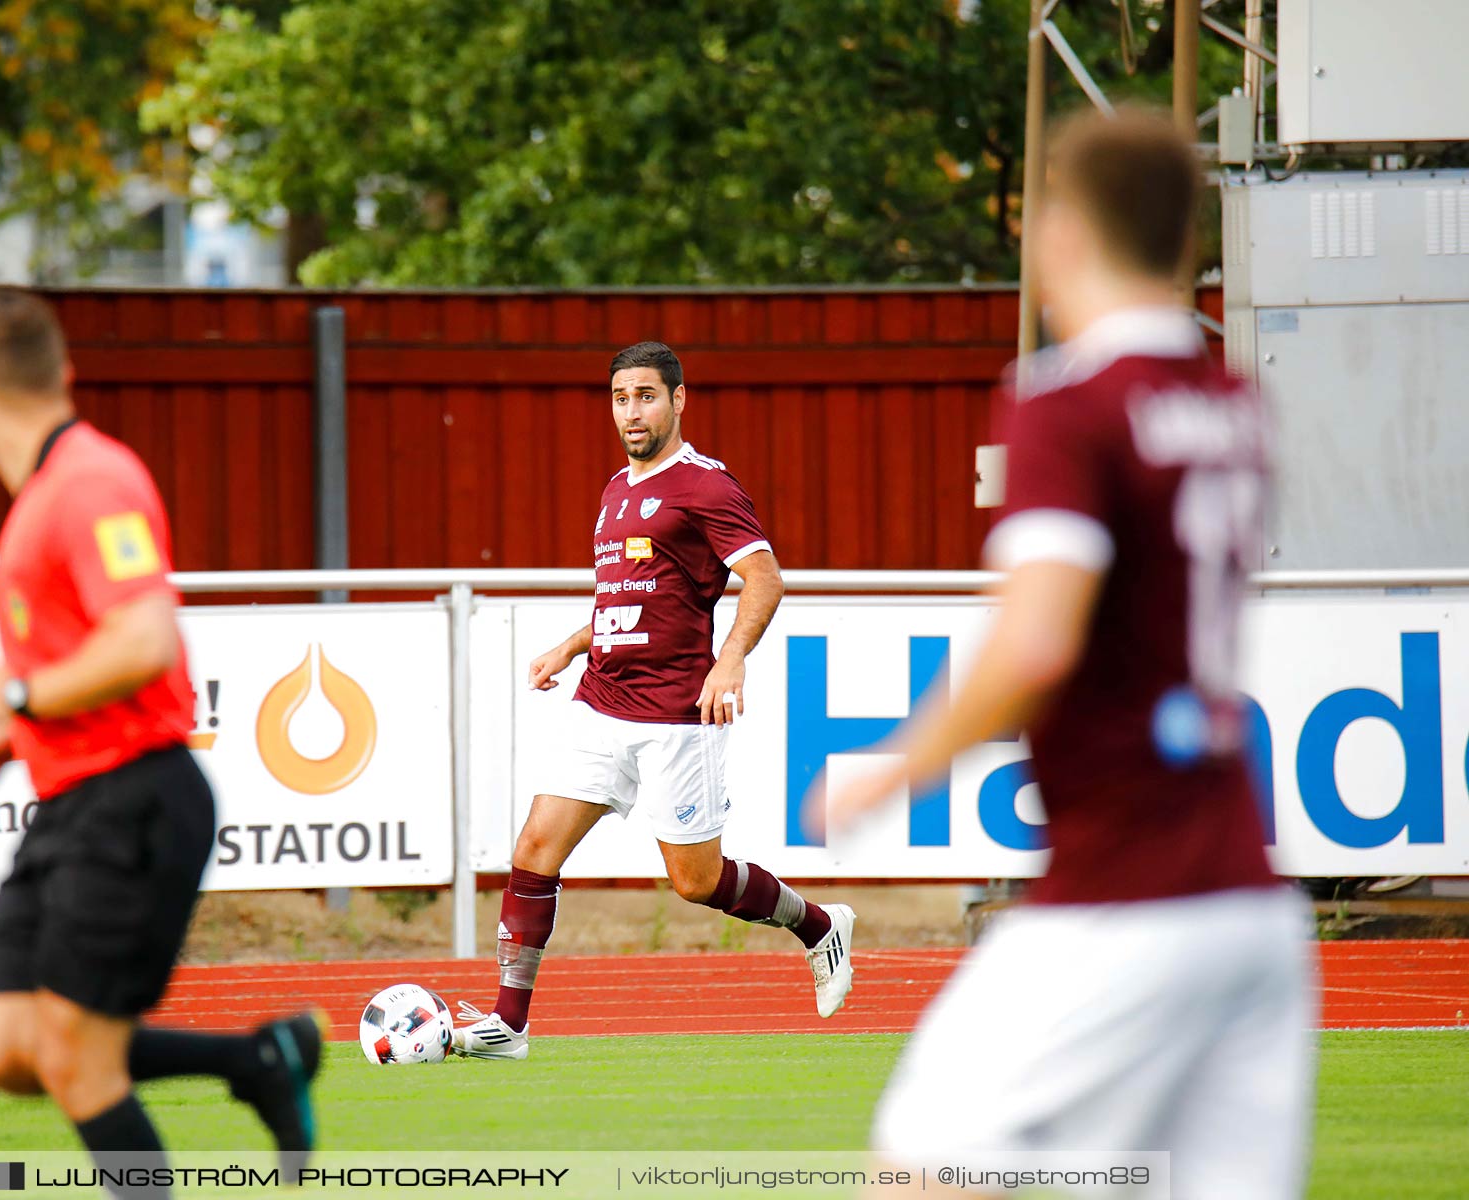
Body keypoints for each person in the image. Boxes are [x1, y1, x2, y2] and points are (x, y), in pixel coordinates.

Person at [812, 110, 1313, 1198]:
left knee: (919, 1169)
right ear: (1187, 240)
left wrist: (891, 766)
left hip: (1121, 902)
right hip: (1253, 906)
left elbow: (1038, 636)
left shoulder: (1064, 405)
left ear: (1063, 236)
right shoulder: (1236, 405)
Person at [0, 289, 323, 1193]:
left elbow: (145, 639)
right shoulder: (45, 494)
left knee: (75, 1060)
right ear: (64, 373)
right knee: (5, 1047)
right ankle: (256, 1063)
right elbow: (104, 662)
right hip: (74, 799)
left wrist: (22, 691)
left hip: (134, 797)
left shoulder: (90, 481)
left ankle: (256, 1070)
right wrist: (19, 729)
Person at [454, 341, 856, 1061]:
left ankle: (819, 927)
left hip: (677, 715)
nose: (631, 410)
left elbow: (764, 580)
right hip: (600, 701)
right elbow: (630, 597)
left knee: (696, 883)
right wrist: (571, 645)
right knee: (534, 850)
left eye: (645, 395)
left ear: (678, 399)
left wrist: (729, 661)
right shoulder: (615, 488)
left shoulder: (706, 485)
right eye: (619, 397)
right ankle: (508, 1025)